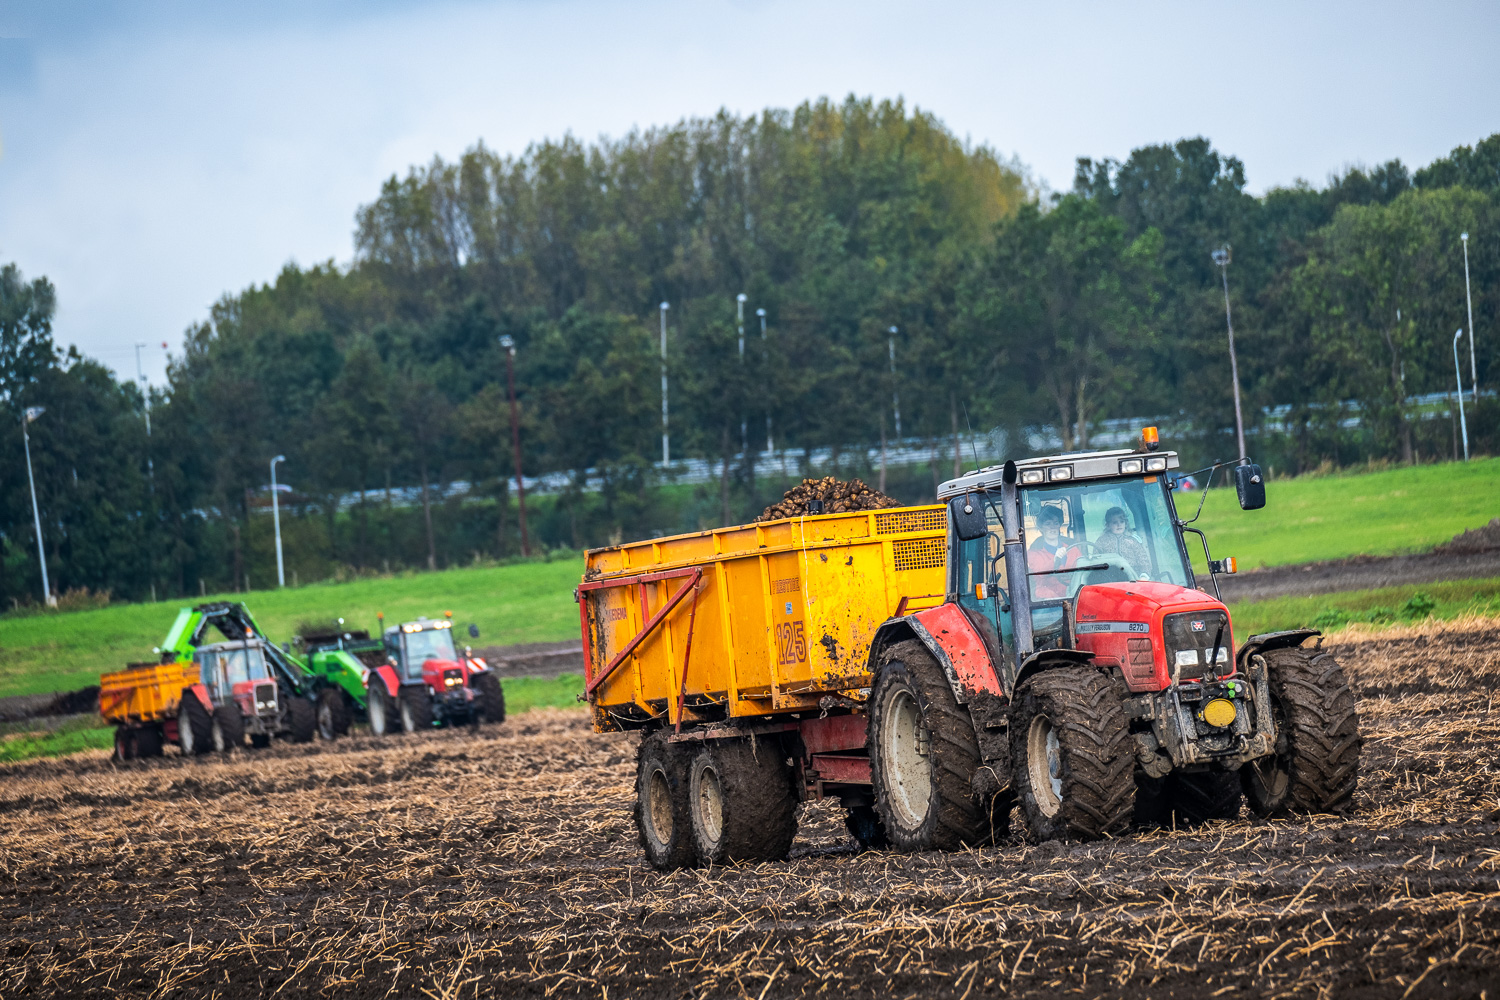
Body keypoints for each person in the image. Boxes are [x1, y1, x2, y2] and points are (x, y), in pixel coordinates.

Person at [1027, 506, 1083, 599]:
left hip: (1073, 595)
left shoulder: (1072, 548)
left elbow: (1082, 568)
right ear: (1041, 528)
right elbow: (1040, 573)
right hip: (1047, 599)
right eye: (1048, 524)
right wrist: (1055, 560)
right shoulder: (1034, 552)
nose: (1052, 527)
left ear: (1059, 525)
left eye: (1056, 523)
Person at [1092, 506, 1151, 578]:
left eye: (1122, 521)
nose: (1119, 525)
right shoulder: (1101, 541)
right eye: (1115, 522)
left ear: (1126, 523)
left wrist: (1144, 576)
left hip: (1133, 578)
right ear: (1108, 525)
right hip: (1109, 579)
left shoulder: (1132, 541)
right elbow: (1095, 561)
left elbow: (1143, 560)